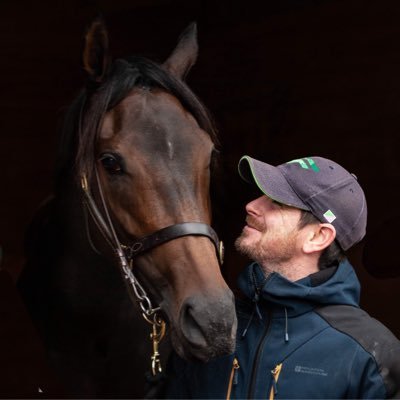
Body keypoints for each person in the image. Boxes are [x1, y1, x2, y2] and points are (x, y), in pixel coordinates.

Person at [164, 155, 400, 399]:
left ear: (317, 237)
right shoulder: (211, 323)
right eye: (261, 195)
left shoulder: (372, 357)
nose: (252, 205)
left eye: (276, 202)